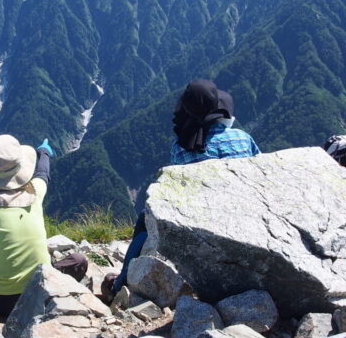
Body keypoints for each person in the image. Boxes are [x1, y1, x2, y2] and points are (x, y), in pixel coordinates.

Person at [105, 79, 261, 300]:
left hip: (203, 222)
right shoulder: (243, 138)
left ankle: (120, 282)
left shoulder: (182, 148)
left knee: (145, 223)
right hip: (247, 216)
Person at [0, 134, 83, 338]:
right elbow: (42, 173)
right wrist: (44, 152)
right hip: (38, 291)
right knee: (78, 259)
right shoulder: (35, 193)